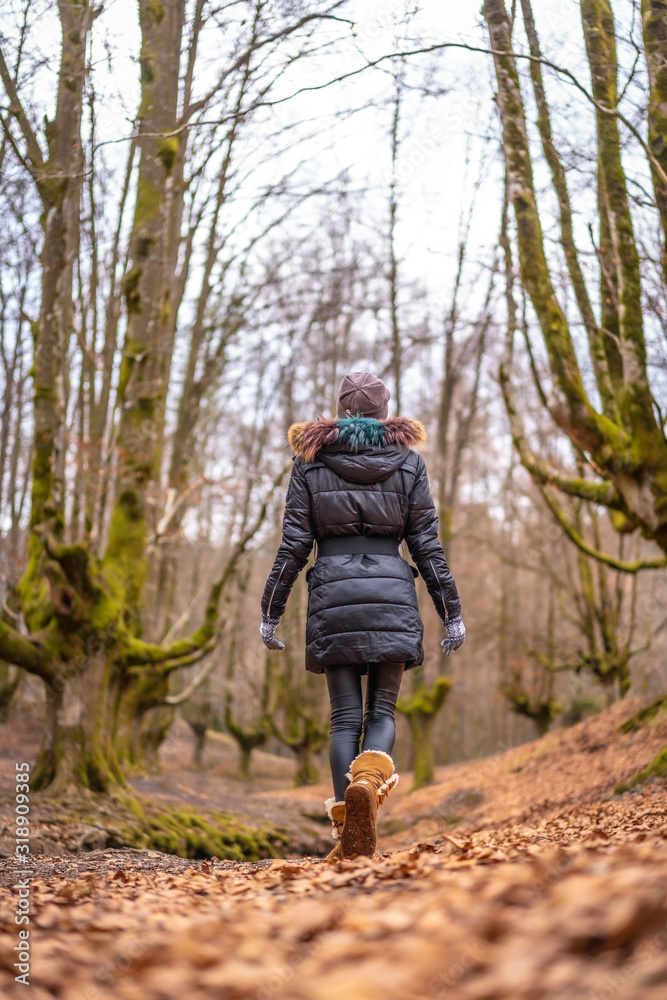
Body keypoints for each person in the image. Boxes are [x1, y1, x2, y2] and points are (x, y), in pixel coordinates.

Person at [259, 371, 465, 860]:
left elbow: (294, 545)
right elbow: (426, 545)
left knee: (344, 718)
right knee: (382, 712)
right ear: (383, 412)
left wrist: (270, 611)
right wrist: (451, 612)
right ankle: (368, 788)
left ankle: (347, 830)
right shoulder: (409, 463)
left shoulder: (309, 463)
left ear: (340, 410)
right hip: (392, 592)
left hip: (333, 595)